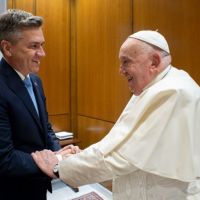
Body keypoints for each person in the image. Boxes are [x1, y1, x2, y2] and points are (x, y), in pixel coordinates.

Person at [32, 30, 200, 199]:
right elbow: (119, 143)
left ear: (154, 62)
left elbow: (123, 157)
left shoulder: (172, 92)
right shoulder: (155, 87)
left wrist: (60, 168)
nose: (121, 70)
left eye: (126, 62)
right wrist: (80, 157)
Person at [0, 9, 62, 200]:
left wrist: (59, 152)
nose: (42, 54)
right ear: (7, 48)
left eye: (42, 45)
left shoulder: (36, 81)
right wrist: (56, 160)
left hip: (37, 187)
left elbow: (46, 128)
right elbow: (4, 158)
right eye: (34, 46)